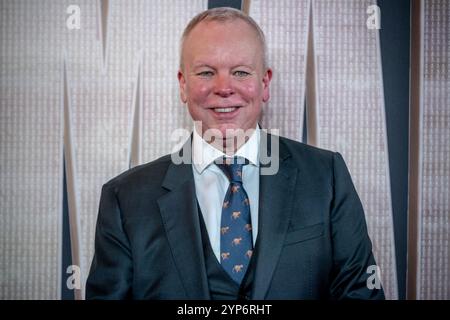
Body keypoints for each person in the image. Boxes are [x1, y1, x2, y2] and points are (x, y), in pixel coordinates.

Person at [86, 7, 385, 300]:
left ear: (265, 83)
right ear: (183, 85)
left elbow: (359, 292)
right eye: (206, 72)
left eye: (240, 72)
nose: (224, 87)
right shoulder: (124, 198)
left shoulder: (326, 177)